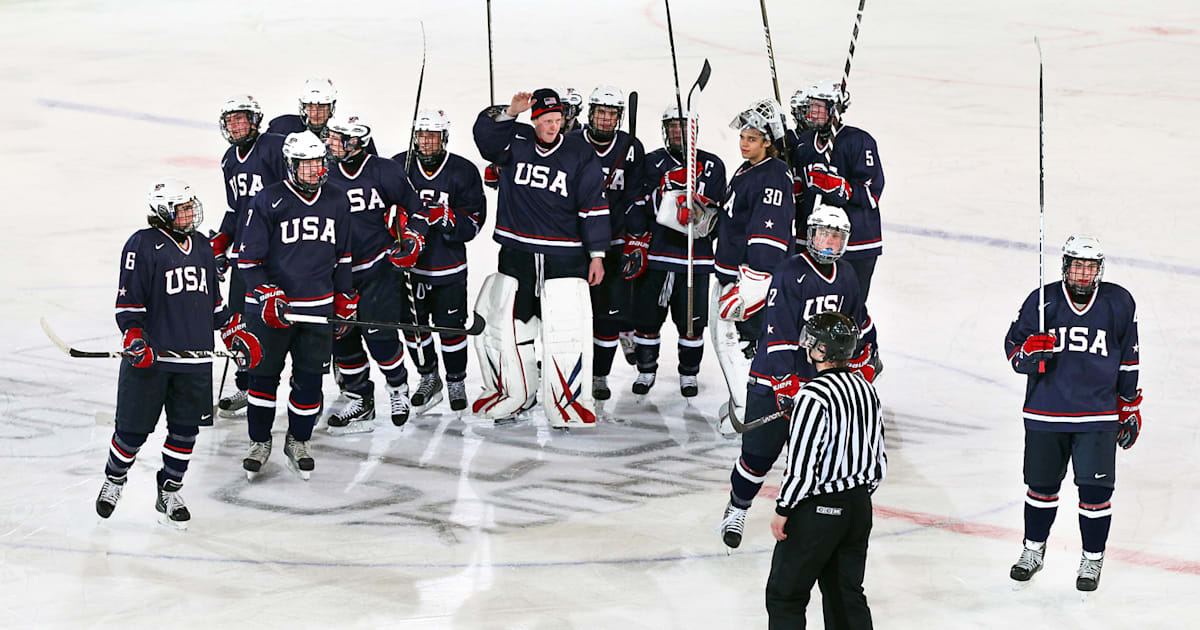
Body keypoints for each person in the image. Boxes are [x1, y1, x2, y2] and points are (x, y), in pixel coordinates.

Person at [97, 177, 262, 529]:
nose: (190, 214)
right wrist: (135, 337)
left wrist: (233, 331)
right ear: (162, 212)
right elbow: (129, 303)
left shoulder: (202, 246)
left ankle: (170, 489)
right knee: (132, 432)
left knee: (186, 432)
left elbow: (214, 303)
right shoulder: (141, 245)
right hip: (152, 361)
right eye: (182, 209)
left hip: (196, 361)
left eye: (191, 207)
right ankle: (114, 480)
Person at [719, 204, 879, 548]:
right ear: (810, 234)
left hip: (822, 387)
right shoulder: (790, 272)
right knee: (758, 457)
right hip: (774, 382)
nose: (830, 243)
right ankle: (738, 506)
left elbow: (858, 321)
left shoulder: (847, 274)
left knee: (814, 459)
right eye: (824, 234)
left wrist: (868, 354)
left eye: (837, 237)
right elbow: (777, 332)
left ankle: (804, 519)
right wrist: (783, 382)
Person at [1004, 234, 1141, 591]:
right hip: (1046, 413)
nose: (1083, 274)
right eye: (1077, 266)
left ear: (1099, 269)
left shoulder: (1119, 302)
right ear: (1066, 266)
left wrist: (1128, 406)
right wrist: (1029, 355)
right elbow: (1014, 350)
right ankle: (1033, 550)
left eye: (1090, 267)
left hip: (1097, 417)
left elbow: (1128, 358)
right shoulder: (1041, 301)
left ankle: (1092, 559)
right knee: (1041, 488)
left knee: (1095, 493)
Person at [471, 88, 610, 427]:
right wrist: (508, 112)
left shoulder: (579, 151)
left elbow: (594, 206)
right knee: (511, 326)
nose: (552, 127)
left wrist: (597, 254)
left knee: (564, 329)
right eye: (546, 121)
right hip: (517, 251)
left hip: (563, 254)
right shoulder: (514, 138)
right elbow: (485, 139)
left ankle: (567, 401)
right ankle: (515, 393)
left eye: (558, 121)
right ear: (534, 120)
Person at [237, 131, 354, 480]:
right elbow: (248, 262)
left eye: (319, 163)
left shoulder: (337, 200)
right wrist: (267, 293)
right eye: (306, 165)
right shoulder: (268, 200)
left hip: (317, 310)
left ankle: (298, 440)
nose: (314, 171)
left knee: (309, 381)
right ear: (290, 166)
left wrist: (345, 297)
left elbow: (344, 256)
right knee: (262, 380)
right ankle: (259, 441)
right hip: (272, 312)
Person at [765, 311, 886, 629]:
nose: (807, 345)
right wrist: (853, 495)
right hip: (860, 508)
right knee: (845, 596)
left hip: (817, 511)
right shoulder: (866, 389)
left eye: (812, 341)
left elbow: (802, 467)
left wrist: (783, 507)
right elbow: (879, 461)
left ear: (822, 350)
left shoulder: (812, 395)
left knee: (785, 595)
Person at [323, 111, 430, 431]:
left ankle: (398, 388)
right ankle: (360, 398)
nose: (330, 144)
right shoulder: (324, 174)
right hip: (337, 272)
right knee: (341, 337)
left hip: (379, 267)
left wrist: (413, 237)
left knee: (379, 333)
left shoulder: (385, 170)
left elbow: (418, 210)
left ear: (356, 144)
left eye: (338, 139)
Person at [621, 104, 726, 398]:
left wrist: (697, 207)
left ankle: (689, 374)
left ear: (695, 129)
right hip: (657, 257)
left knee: (692, 323)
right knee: (647, 319)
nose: (678, 132)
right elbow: (637, 206)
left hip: (696, 259)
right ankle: (646, 369)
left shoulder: (713, 164)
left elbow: (718, 212)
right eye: (672, 127)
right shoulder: (652, 162)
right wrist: (666, 188)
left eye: (684, 126)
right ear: (665, 130)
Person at [394, 108, 487, 414]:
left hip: (447, 267)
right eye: (422, 136)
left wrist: (448, 219)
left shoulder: (463, 171)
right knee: (414, 327)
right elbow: (383, 211)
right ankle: (428, 376)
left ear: (445, 138)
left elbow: (474, 223)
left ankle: (456, 379)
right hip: (410, 268)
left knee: (451, 327)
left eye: (433, 136)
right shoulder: (399, 166)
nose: (427, 143)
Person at [711, 98, 796, 430]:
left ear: (768, 141)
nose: (744, 144)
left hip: (751, 278)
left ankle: (753, 413)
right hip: (733, 272)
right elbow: (736, 218)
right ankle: (742, 400)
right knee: (729, 342)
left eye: (752, 139)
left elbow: (768, 234)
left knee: (748, 345)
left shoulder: (773, 175)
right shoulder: (748, 170)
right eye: (743, 137)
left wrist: (754, 285)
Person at [211, 95, 287, 417]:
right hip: (245, 254)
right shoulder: (230, 159)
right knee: (241, 321)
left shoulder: (273, 148)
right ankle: (246, 384)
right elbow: (235, 209)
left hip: (276, 255)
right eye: (231, 120)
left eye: (242, 119)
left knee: (282, 322)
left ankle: (305, 389)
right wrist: (221, 240)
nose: (237, 125)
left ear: (255, 120)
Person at [570, 86, 646, 401]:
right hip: (573, 244)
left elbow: (635, 197)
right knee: (570, 313)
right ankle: (565, 367)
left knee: (608, 314)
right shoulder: (572, 142)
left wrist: (638, 239)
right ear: (590, 113)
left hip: (613, 244)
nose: (605, 118)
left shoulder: (631, 147)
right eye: (600, 112)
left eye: (611, 113)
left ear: (618, 117)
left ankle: (599, 375)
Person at [792, 80, 885, 302]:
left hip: (856, 243)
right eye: (811, 106)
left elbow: (872, 193)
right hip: (811, 240)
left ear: (835, 109)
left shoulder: (859, 141)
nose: (812, 112)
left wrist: (840, 187)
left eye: (819, 107)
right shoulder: (804, 144)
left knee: (850, 308)